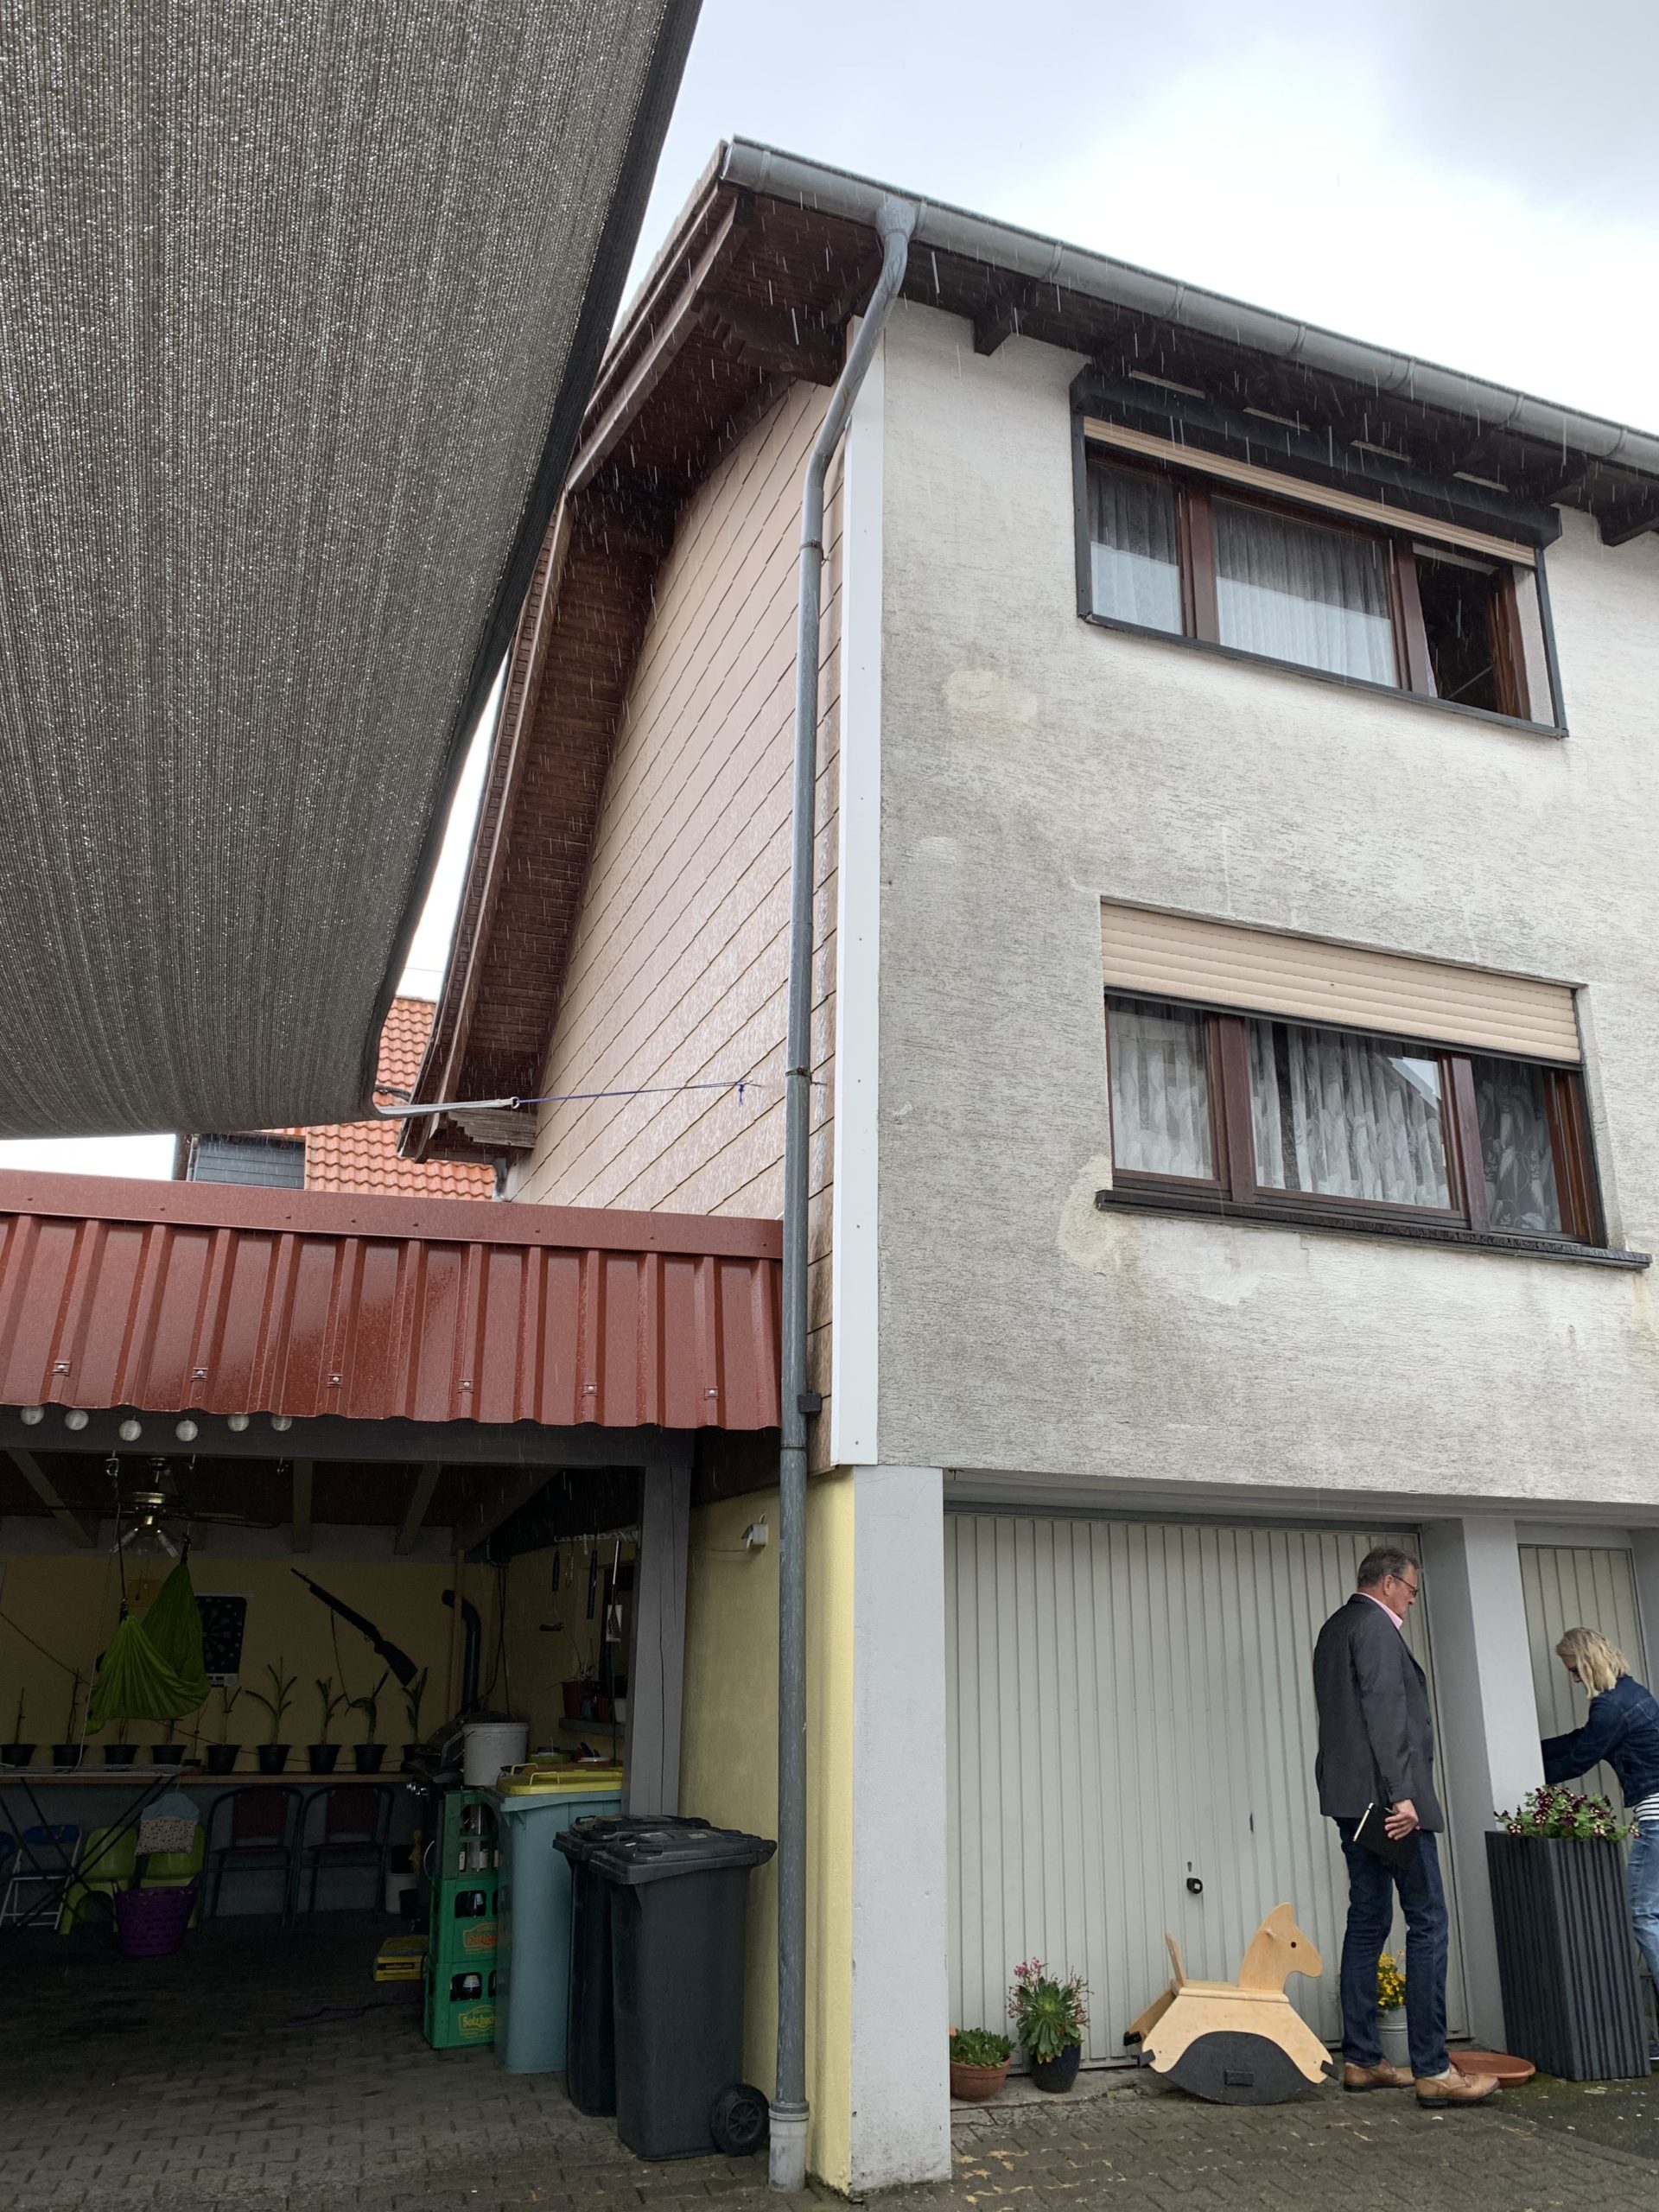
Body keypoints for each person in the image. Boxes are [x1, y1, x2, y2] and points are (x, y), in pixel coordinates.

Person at [1312, 1547, 1499, 2107]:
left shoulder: (1334, 1628)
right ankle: (1434, 2068)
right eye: (1412, 1590)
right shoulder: (1375, 1627)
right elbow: (1386, 1712)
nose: (1413, 1601)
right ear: (1390, 1583)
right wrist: (1404, 1794)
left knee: (1368, 1919)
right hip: (1391, 1805)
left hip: (1351, 1802)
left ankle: (1363, 2060)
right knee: (1429, 1920)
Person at [1542, 1626, 1659, 2041]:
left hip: (1656, 1818)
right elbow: (1583, 1740)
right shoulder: (1633, 1693)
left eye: (1574, 1670)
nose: (1574, 1679)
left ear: (1588, 1662)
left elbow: (1580, 1758)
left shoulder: (1610, 1707)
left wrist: (1530, 1772)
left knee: (1643, 1915)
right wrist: (1531, 1748)